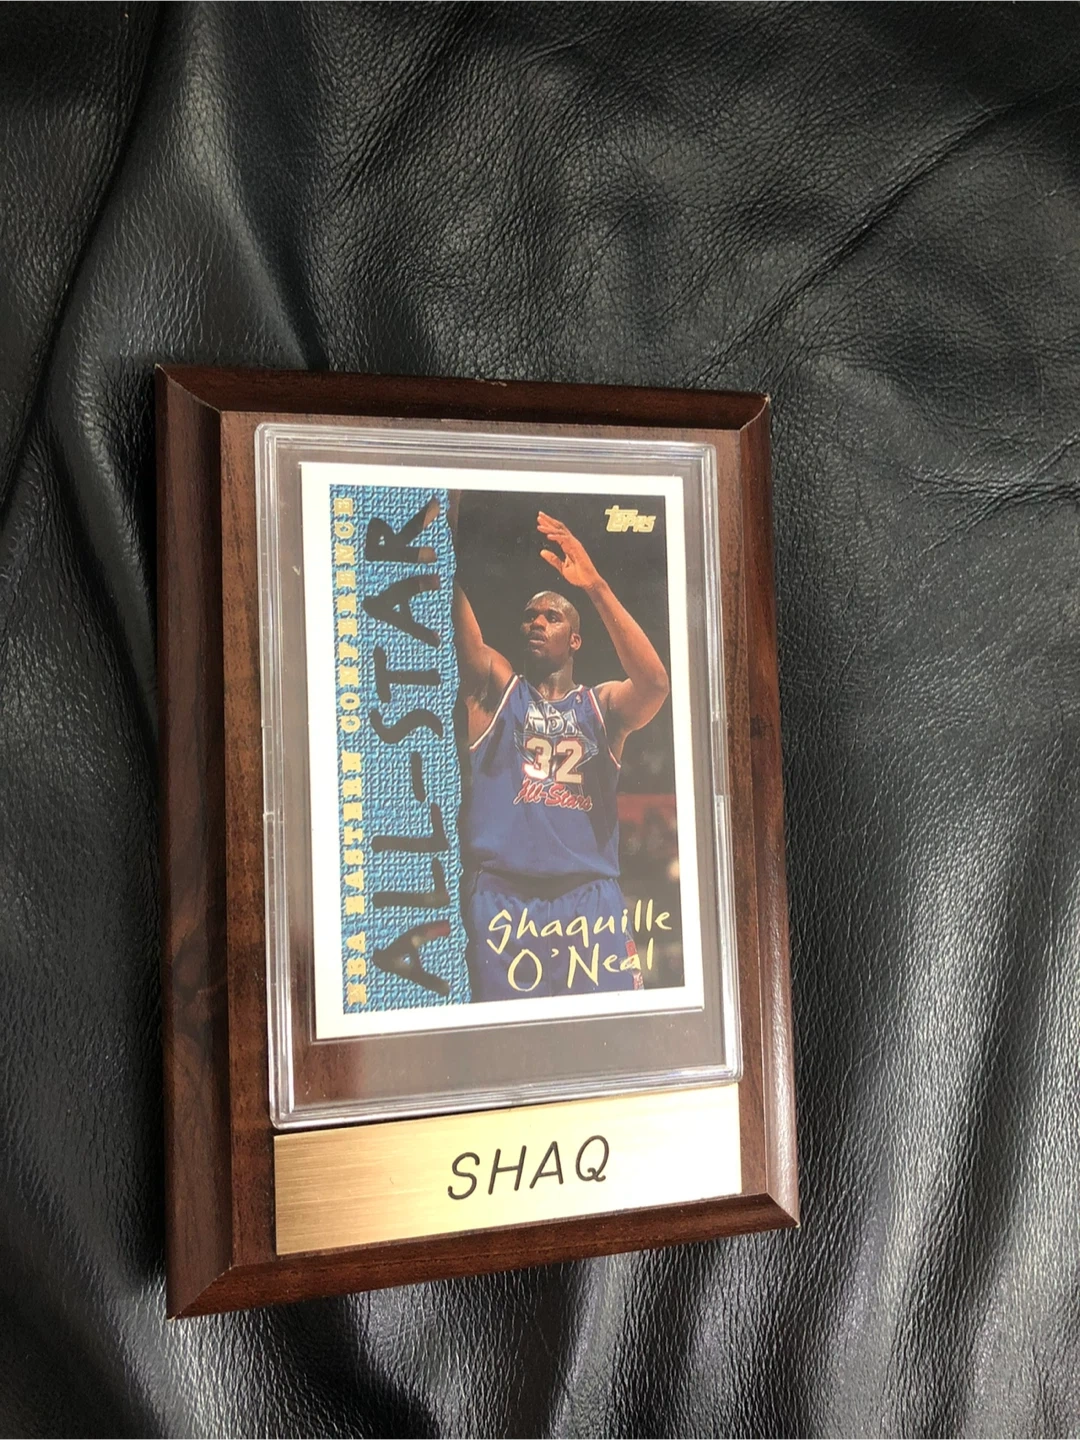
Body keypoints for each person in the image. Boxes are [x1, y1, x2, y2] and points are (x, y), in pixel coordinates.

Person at [453, 508, 670, 1000]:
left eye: (551, 616)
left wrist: (594, 585)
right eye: (530, 616)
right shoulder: (496, 692)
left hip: (589, 900)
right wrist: (439, 540)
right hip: (503, 901)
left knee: (614, 1039)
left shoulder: (601, 706)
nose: (537, 621)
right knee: (509, 1043)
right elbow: (461, 631)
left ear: (575, 640)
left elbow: (655, 684)